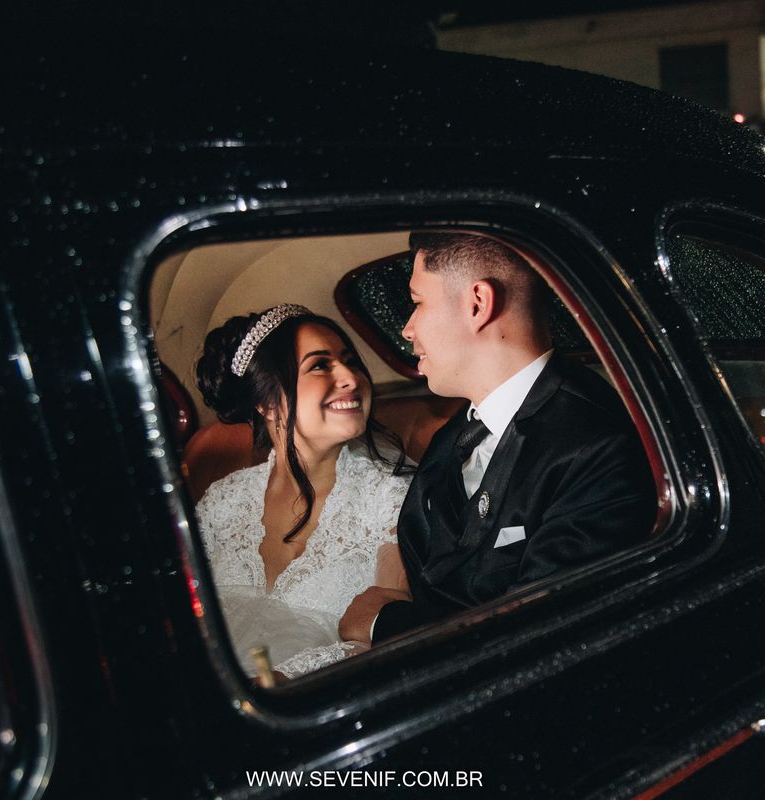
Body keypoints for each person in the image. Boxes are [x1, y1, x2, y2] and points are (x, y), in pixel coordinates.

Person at [339, 233, 657, 644]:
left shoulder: (598, 445)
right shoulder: (461, 428)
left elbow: (545, 635)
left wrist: (384, 624)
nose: (407, 328)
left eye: (417, 303)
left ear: (477, 304)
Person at [194, 304, 411, 679]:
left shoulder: (390, 496)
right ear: (267, 403)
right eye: (320, 365)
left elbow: (388, 636)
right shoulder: (221, 502)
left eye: (349, 361)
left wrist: (283, 681)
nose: (351, 377)